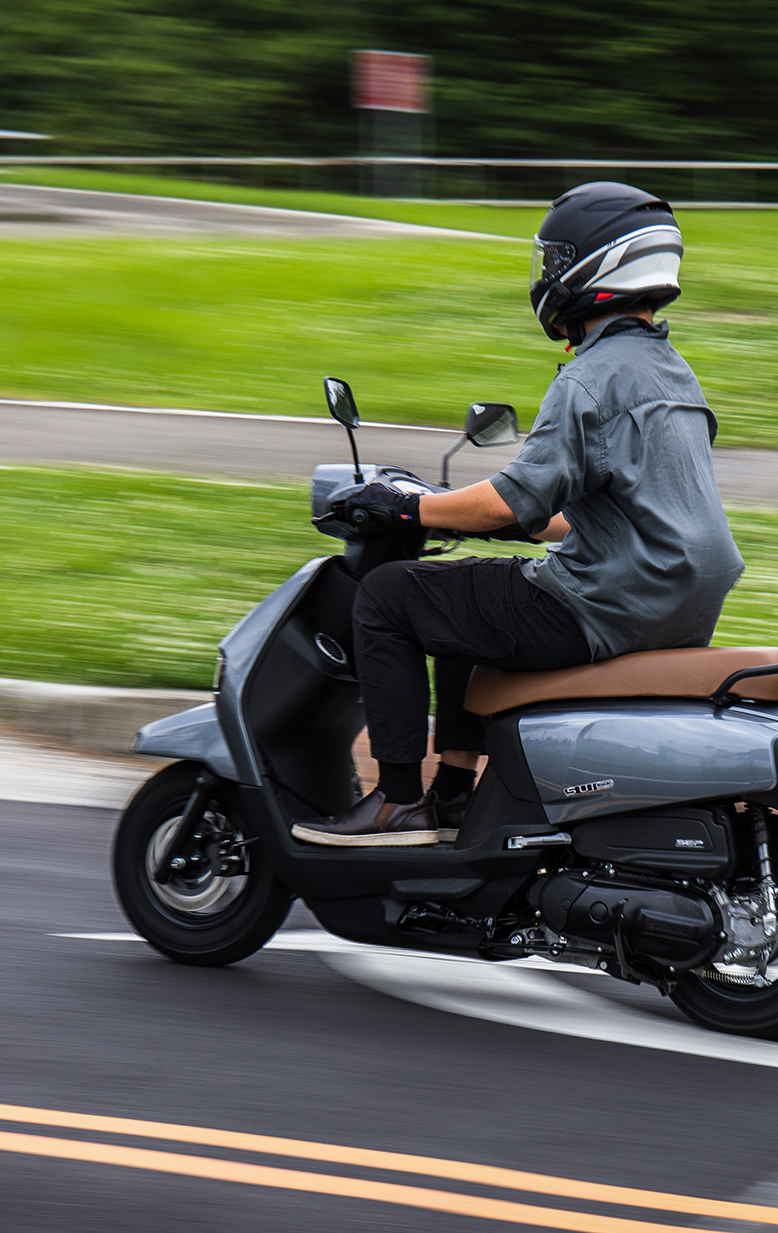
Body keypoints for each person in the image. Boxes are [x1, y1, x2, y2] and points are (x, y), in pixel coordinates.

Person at [293, 182, 746, 846]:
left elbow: (509, 497)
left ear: (594, 265)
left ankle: (394, 803)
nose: (548, 275)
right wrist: (505, 521)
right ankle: (451, 796)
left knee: (391, 596)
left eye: (556, 259)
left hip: (605, 604)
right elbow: (612, 509)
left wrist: (406, 505)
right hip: (672, 598)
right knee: (461, 603)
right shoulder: (671, 373)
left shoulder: (590, 378)